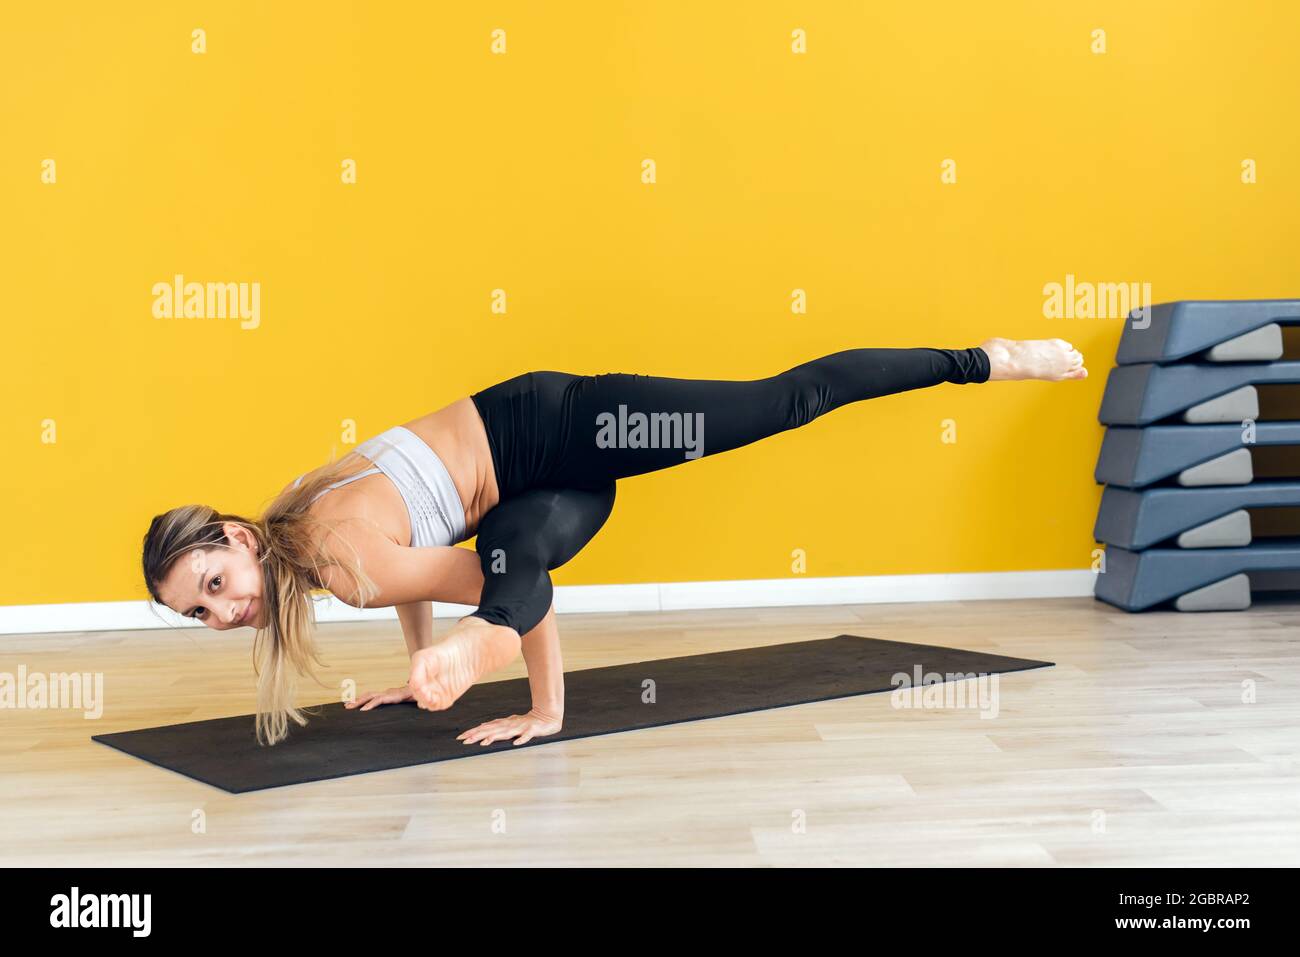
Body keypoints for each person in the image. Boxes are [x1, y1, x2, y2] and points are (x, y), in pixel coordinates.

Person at [142, 337, 1086, 746]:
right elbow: (408, 568)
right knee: (510, 547)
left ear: (234, 537)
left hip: (581, 428)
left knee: (785, 402)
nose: (224, 611)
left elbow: (497, 577)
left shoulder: (336, 558)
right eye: (202, 612)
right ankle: (474, 644)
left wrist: (545, 707)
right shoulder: (299, 512)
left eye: (215, 581)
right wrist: (423, 655)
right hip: (536, 491)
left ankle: (983, 361)